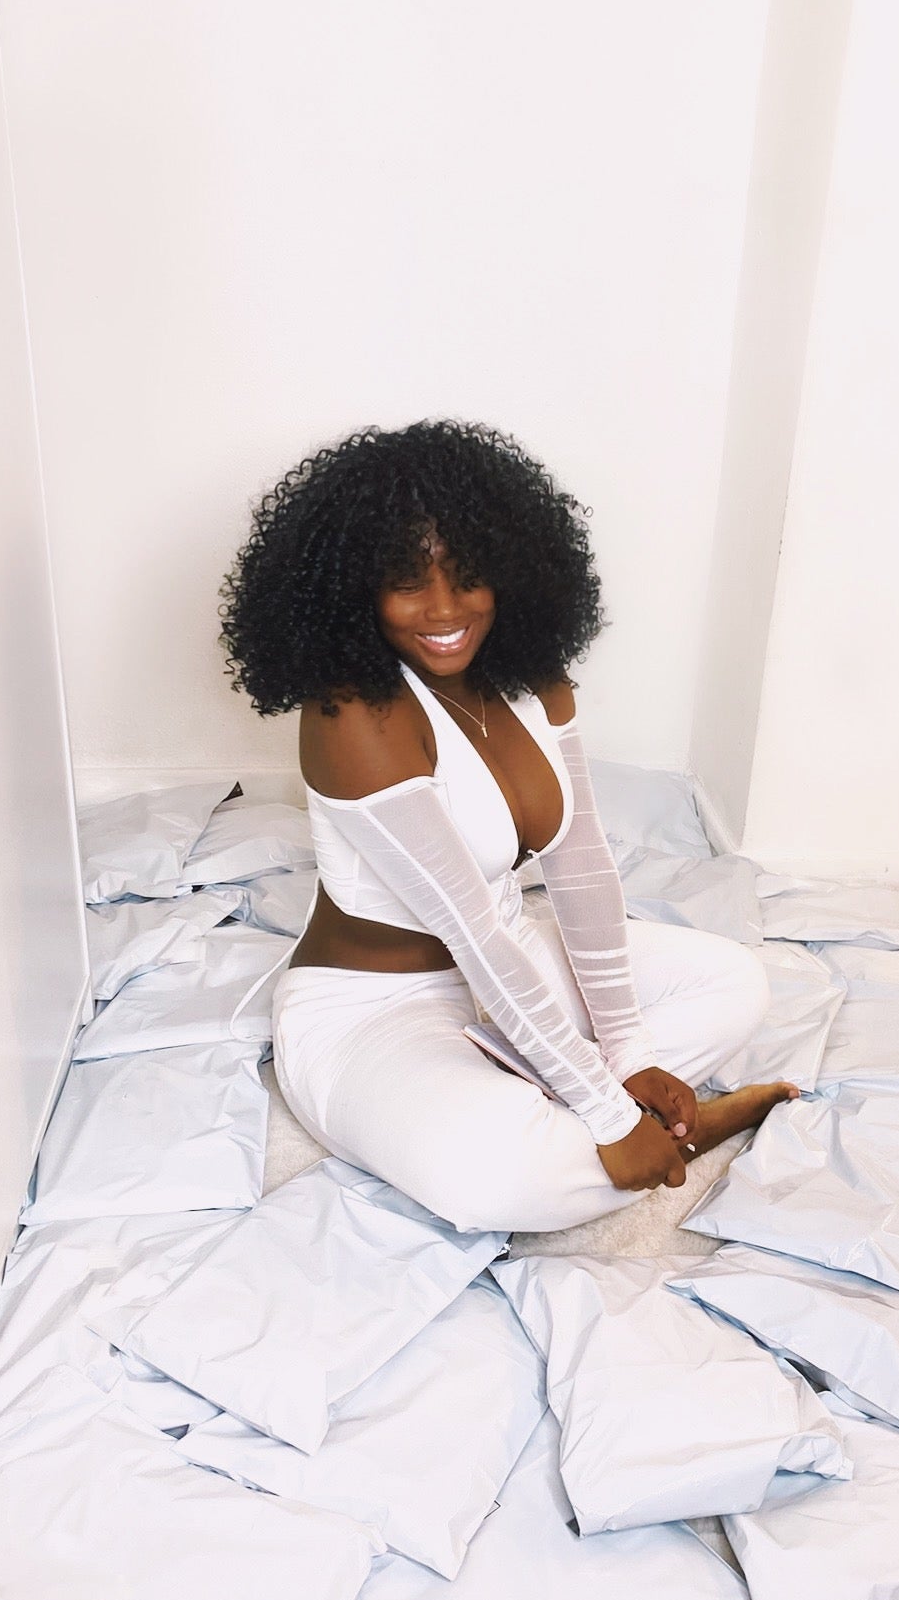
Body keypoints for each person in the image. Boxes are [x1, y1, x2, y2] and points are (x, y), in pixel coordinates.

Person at [218, 418, 796, 1232]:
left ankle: (603, 1110)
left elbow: (583, 871)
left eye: (469, 575)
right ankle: (661, 1130)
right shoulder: (355, 714)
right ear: (354, 588)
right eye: (406, 580)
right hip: (373, 1013)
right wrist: (605, 1111)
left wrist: (628, 1053)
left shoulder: (531, 678)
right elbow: (469, 933)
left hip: (511, 955)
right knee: (495, 1181)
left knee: (736, 981)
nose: (445, 609)